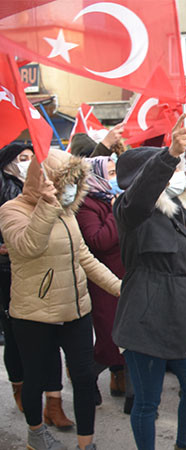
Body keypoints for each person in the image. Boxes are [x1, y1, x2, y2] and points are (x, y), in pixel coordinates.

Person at [0, 149, 122, 450]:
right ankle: (36, 435)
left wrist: (120, 287)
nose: (69, 189)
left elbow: (85, 258)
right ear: (45, 181)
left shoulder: (68, 212)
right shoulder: (12, 210)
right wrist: (47, 205)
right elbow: (28, 246)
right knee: (36, 379)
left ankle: (86, 444)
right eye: (64, 182)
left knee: (82, 378)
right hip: (33, 314)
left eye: (74, 183)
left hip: (75, 309)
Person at [112, 115, 186, 450]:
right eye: (172, 170)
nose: (178, 174)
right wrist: (168, 156)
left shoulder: (178, 212)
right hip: (146, 316)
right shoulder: (130, 211)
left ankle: (185, 444)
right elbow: (140, 197)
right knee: (147, 402)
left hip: (182, 313)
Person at [0, 144, 74, 428]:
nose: (27, 163)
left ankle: (54, 403)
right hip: (10, 270)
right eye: (21, 158)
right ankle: (20, 386)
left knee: (52, 334)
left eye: (31, 158)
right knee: (18, 338)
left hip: (47, 266)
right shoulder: (5, 188)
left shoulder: (44, 183)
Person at [75, 156, 127, 407]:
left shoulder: (115, 198)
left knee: (126, 335)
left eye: (117, 171)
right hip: (103, 282)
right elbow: (98, 241)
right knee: (108, 338)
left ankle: (122, 381)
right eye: (111, 172)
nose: (115, 178)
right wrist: (117, 212)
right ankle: (86, 379)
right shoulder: (86, 205)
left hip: (125, 276)